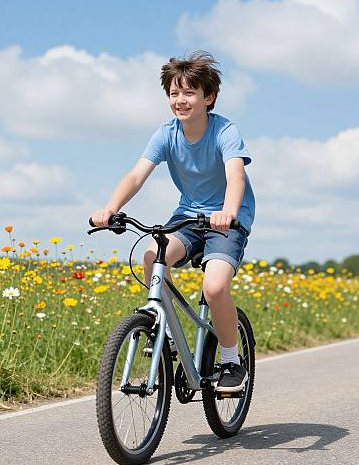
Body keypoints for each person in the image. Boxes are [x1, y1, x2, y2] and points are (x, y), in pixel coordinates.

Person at [91, 51, 255, 392]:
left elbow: (235, 176)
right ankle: (162, 332)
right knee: (152, 256)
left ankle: (229, 359)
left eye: (190, 93)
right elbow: (137, 175)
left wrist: (228, 213)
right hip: (188, 215)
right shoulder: (166, 133)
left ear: (208, 97)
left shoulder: (224, 131)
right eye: (174, 93)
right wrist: (110, 208)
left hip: (228, 219)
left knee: (214, 288)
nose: (181, 100)